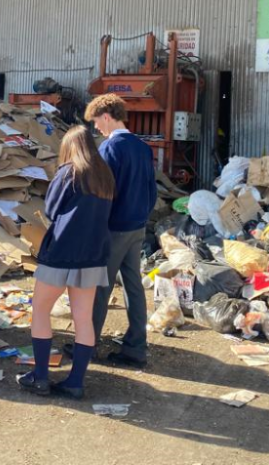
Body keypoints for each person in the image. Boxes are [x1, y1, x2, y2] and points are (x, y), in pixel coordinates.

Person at [17, 126, 114, 400]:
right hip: (94, 254)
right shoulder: (105, 176)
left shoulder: (69, 172)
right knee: (84, 319)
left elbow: (50, 209)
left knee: (40, 310)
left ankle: (41, 377)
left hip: (61, 252)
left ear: (70, 148)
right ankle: (75, 382)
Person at [83, 93, 158, 368]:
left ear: (106, 116)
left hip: (114, 228)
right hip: (137, 226)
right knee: (133, 286)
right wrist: (141, 217)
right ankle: (136, 348)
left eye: (96, 123)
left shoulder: (109, 149)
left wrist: (93, 227)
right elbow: (153, 191)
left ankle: (86, 346)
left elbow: (102, 193)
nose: (97, 129)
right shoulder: (142, 147)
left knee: (99, 287)